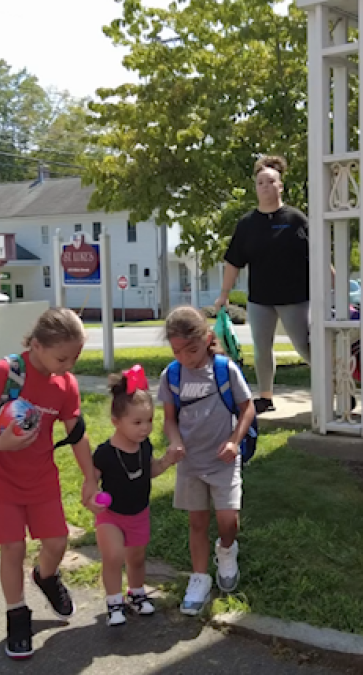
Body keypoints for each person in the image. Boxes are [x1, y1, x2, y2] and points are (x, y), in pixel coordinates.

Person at [0, 307, 99, 660]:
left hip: (41, 479)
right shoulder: (7, 372)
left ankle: (45, 576)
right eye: (62, 357)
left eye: (76, 356)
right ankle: (17, 615)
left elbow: (77, 433)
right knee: (13, 548)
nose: (70, 365)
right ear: (37, 346)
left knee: (56, 542)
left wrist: (90, 476)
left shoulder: (66, 384)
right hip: (0, 478)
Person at [159, 306, 255, 615]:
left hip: (223, 460)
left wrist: (234, 441)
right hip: (191, 463)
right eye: (177, 351)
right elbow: (170, 419)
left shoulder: (225, 370)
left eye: (192, 349)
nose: (185, 357)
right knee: (196, 522)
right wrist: (174, 441)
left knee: (228, 521)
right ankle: (199, 578)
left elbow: (247, 408)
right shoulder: (171, 376)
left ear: (208, 338)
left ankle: (227, 550)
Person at [217, 155, 316, 414]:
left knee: (305, 346)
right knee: (262, 350)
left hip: (295, 298)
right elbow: (233, 262)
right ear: (255, 187)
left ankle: (335, 388)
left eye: (271, 181)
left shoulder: (296, 219)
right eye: (260, 182)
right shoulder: (248, 224)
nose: (265, 186)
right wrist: (223, 294)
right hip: (260, 299)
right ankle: (265, 396)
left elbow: (317, 256)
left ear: (280, 186)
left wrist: (335, 285)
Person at [92, 365, 184, 627]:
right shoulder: (105, 453)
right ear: (116, 422)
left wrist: (166, 461)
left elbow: (149, 471)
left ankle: (136, 592)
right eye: (137, 422)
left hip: (139, 512)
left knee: (137, 558)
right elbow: (91, 482)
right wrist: (91, 498)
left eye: (149, 421)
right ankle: (114, 601)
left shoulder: (144, 446)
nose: (145, 428)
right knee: (113, 556)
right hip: (111, 515)